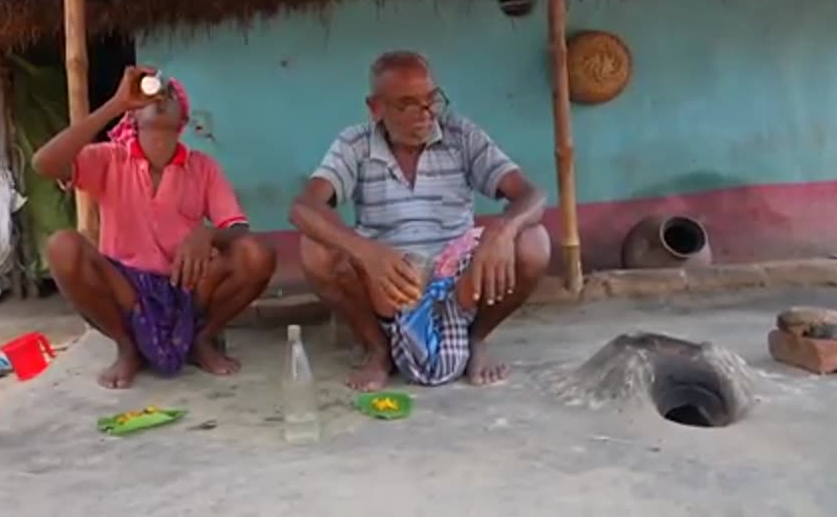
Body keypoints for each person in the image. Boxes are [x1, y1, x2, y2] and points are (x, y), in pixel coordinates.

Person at [290, 50, 550, 391]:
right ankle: (377, 349)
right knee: (315, 248)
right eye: (407, 104)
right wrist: (366, 252)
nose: (426, 115)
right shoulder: (355, 144)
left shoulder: (460, 135)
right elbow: (303, 208)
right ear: (376, 108)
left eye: (431, 101)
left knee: (534, 241)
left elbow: (533, 195)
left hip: (458, 281)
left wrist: (503, 229)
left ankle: (477, 339)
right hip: (388, 279)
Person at [34, 66, 275, 389]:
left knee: (256, 254)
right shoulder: (109, 158)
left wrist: (207, 234)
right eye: (153, 94)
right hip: (126, 287)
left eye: (171, 94)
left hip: (186, 283)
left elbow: (240, 231)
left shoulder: (202, 167)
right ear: (133, 117)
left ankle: (202, 339)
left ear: (183, 122)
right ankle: (127, 347)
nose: (161, 98)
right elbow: (44, 164)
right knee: (62, 246)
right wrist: (116, 105)